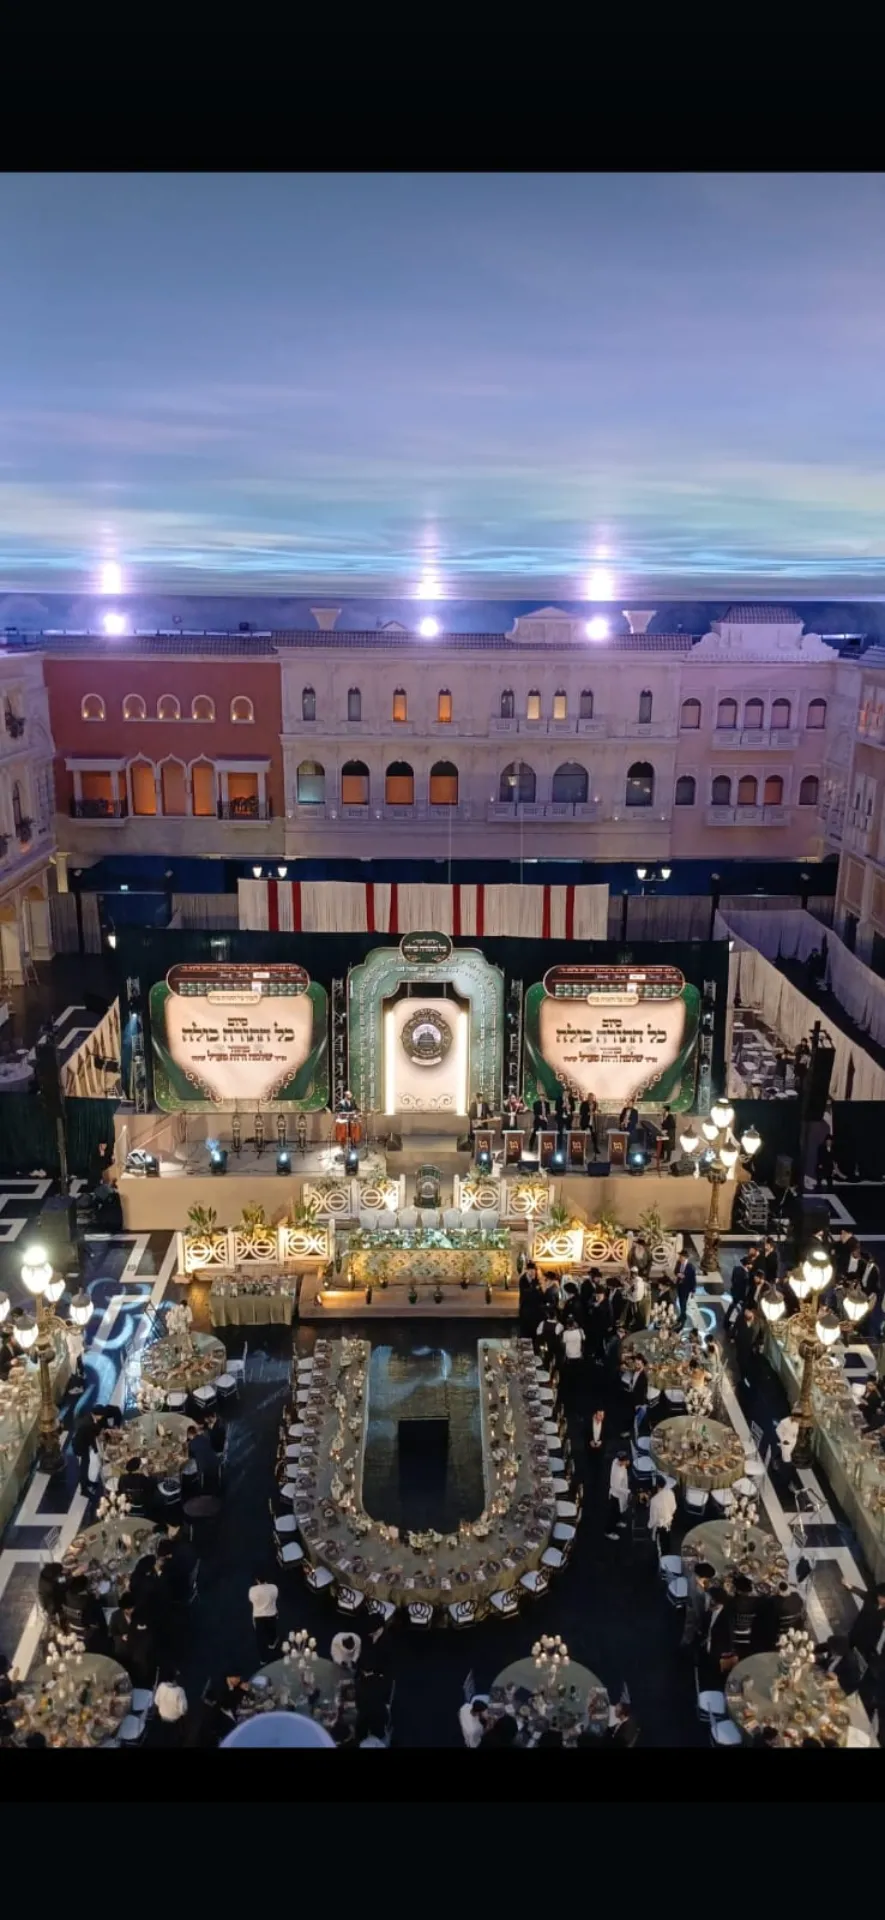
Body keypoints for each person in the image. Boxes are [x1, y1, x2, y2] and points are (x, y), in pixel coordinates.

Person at [680, 1560, 716, 1650]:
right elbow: (700, 1613)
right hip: (690, 1617)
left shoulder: (690, 1574)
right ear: (704, 1578)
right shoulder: (699, 1593)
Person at [71, 1407, 103, 1498]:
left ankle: (87, 1481)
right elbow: (91, 1439)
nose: (101, 1417)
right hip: (80, 1447)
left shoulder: (90, 1418)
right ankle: (83, 1489)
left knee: (86, 1462)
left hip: (83, 1444)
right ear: (97, 1415)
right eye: (101, 1416)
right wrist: (97, 1450)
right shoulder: (89, 1424)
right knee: (83, 1468)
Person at [247, 1573, 280, 1660]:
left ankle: (263, 1657)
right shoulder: (273, 1587)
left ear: (257, 1580)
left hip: (258, 1615)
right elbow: (275, 1598)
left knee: (260, 1636)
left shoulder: (252, 1590)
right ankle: (272, 1643)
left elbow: (252, 1601)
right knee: (272, 1630)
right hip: (271, 1613)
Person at [734, 1305, 762, 1395]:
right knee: (744, 1369)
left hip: (744, 1351)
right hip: (744, 1352)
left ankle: (744, 1382)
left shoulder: (749, 1326)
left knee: (744, 1368)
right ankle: (745, 1384)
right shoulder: (748, 1330)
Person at [186, 1422, 220, 1493]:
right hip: (215, 1463)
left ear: (189, 1434)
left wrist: (187, 1445)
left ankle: (200, 1489)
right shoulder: (204, 1437)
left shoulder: (191, 1444)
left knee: (190, 1467)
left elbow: (190, 1456)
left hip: (204, 1469)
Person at [724, 1254, 752, 1332]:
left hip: (734, 1292)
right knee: (741, 1310)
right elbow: (745, 1288)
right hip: (741, 1295)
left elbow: (732, 1279)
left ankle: (726, 1321)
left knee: (731, 1307)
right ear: (748, 1265)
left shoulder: (736, 1269)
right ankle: (737, 1324)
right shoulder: (746, 1275)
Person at [648, 1474, 677, 1552]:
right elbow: (674, 1507)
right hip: (669, 1523)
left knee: (659, 1547)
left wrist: (649, 1526)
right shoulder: (670, 1493)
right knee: (667, 1542)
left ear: (657, 1486)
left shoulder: (654, 1500)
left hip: (660, 1527)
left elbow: (653, 1518)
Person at [606, 1453, 631, 1539]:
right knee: (612, 1514)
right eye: (626, 1461)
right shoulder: (617, 1473)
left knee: (618, 1511)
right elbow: (616, 1487)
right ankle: (608, 1532)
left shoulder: (616, 1461)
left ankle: (618, 1521)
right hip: (616, 1495)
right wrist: (628, 1491)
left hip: (620, 1494)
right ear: (622, 1461)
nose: (627, 1462)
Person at [675, 1251, 697, 1330]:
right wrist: (678, 1274)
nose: (679, 1258)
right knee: (681, 1301)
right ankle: (682, 1314)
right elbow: (675, 1271)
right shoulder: (678, 1263)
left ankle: (683, 1317)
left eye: (681, 1257)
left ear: (685, 1257)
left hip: (686, 1288)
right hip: (679, 1286)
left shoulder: (691, 1267)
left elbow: (693, 1280)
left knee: (683, 1302)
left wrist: (693, 1291)